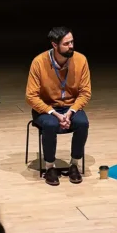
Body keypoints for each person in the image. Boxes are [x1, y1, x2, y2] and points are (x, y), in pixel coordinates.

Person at [25, 26, 92, 186]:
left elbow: (85, 92)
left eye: (72, 42)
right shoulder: (39, 62)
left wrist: (71, 112)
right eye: (66, 43)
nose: (71, 46)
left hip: (70, 107)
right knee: (50, 124)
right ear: (55, 45)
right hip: (46, 108)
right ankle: (49, 167)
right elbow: (31, 96)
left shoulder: (81, 60)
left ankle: (74, 164)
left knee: (82, 123)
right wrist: (54, 113)